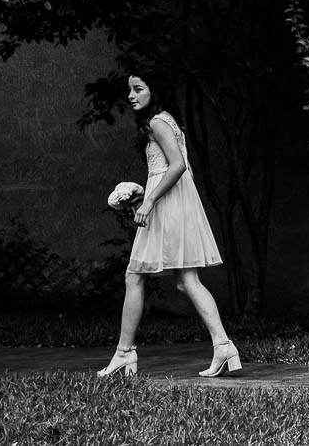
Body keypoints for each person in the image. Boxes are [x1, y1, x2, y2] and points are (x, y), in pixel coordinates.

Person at [98, 72, 240, 378]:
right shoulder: (167, 120)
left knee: (134, 274)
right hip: (176, 204)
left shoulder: (157, 122)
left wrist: (148, 202)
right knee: (186, 280)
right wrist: (140, 195)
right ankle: (224, 345)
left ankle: (124, 353)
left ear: (154, 90)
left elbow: (177, 165)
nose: (131, 95)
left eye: (138, 89)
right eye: (130, 90)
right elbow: (167, 167)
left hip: (167, 205)